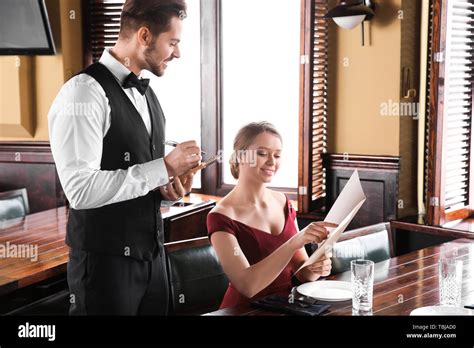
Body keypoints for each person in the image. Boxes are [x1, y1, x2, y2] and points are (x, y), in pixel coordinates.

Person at [48, 0, 200, 315]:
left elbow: (142, 178)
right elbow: (80, 190)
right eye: (172, 42)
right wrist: (165, 166)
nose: (178, 53)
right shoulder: (82, 93)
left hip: (153, 260)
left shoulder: (150, 95)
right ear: (144, 36)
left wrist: (168, 191)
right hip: (105, 267)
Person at [207, 122, 336, 309]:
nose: (272, 162)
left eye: (277, 155)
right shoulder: (220, 216)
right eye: (262, 153)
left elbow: (301, 273)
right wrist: (294, 242)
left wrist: (316, 267)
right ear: (240, 156)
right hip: (244, 310)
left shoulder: (284, 202)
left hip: (286, 306)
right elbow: (247, 285)